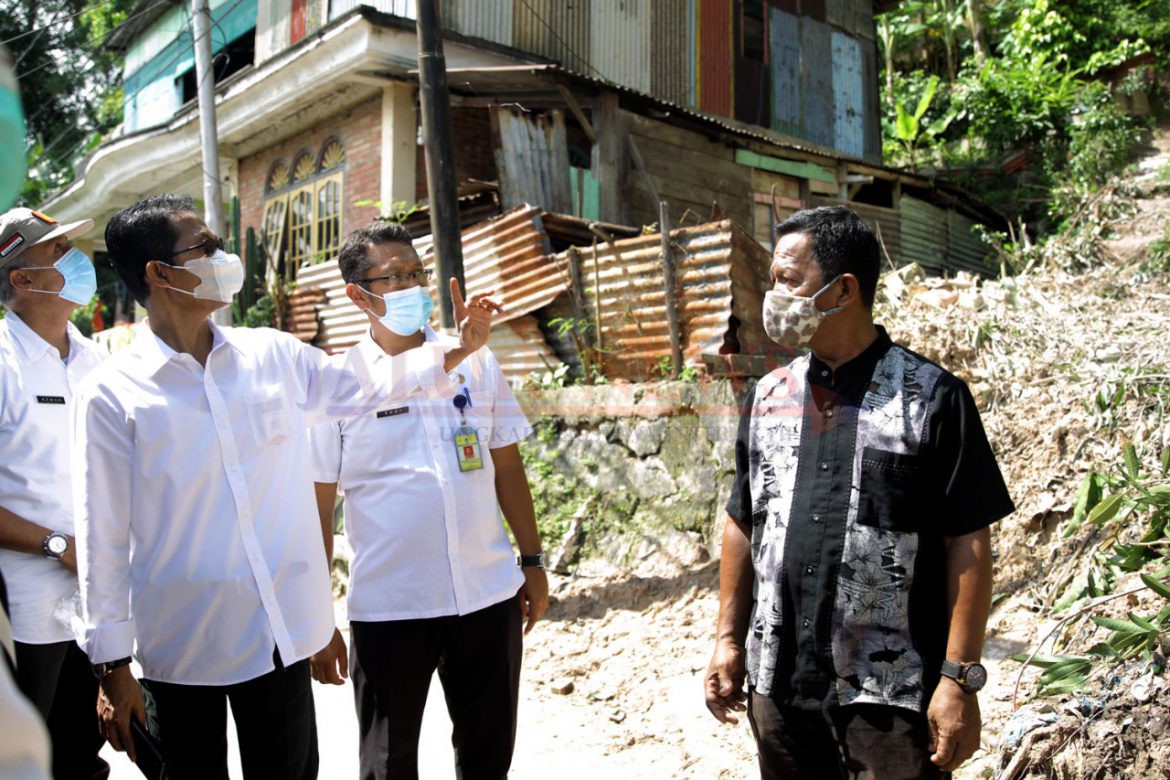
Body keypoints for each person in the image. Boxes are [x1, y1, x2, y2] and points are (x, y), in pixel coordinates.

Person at [72, 194, 499, 780]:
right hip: (181, 647)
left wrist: (456, 351)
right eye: (206, 247)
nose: (222, 256)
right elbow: (102, 534)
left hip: (279, 635)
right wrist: (112, 664)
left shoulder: (270, 354)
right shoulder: (112, 394)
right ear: (160, 273)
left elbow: (361, 389)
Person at [704, 206, 1014, 778]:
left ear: (843, 290)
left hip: (889, 699)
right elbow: (745, 522)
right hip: (779, 687)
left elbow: (967, 542)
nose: (775, 295)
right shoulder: (769, 395)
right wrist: (728, 638)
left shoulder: (931, 398)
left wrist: (959, 679)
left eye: (788, 280)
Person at [308, 222, 548, 780]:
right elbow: (319, 505)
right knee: (388, 764)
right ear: (357, 294)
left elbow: (506, 465)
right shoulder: (339, 383)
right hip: (392, 608)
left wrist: (531, 562)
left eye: (417, 273)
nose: (412, 285)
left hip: (487, 597)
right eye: (394, 277)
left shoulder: (476, 360)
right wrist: (317, 615)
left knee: (488, 754)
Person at [0, 207, 108, 779]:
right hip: (22, 614)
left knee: (81, 758)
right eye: (60, 250)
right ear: (21, 278)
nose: (79, 260)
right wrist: (56, 545)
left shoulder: (96, 361)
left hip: (92, 610)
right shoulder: (3, 363)